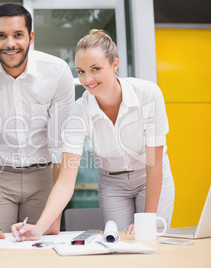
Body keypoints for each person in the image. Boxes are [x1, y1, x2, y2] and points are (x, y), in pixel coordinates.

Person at [12, 29, 175, 241]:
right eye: (80, 71)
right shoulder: (78, 112)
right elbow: (65, 182)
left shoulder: (149, 95)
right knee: (118, 245)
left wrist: (147, 220)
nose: (87, 79)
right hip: (112, 184)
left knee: (150, 240)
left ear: (115, 65)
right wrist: (39, 227)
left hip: (149, 176)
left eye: (95, 69)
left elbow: (154, 164)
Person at [0, 3, 75, 239]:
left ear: (30, 37)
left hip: (43, 176)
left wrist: (54, 216)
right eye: (1, 36)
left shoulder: (57, 72)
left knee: (42, 246)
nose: (10, 43)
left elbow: (60, 147)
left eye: (18, 35)